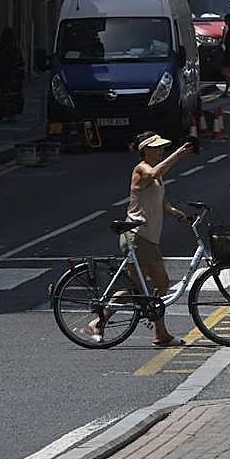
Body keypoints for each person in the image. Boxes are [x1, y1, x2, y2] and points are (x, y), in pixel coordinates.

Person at [87, 132, 193, 346]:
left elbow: (160, 201)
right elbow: (153, 173)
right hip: (136, 237)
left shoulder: (156, 174)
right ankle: (98, 321)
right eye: (158, 148)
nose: (162, 151)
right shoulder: (142, 169)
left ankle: (160, 333)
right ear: (146, 150)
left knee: (160, 284)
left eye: (163, 148)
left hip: (148, 238)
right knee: (137, 288)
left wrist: (174, 212)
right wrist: (177, 156)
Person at [0, 27, 26, 122]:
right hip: (11, 76)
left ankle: (3, 112)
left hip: (3, 76)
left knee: (4, 95)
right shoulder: (14, 47)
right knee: (11, 96)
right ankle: (10, 114)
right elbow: (20, 62)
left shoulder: (1, 47)